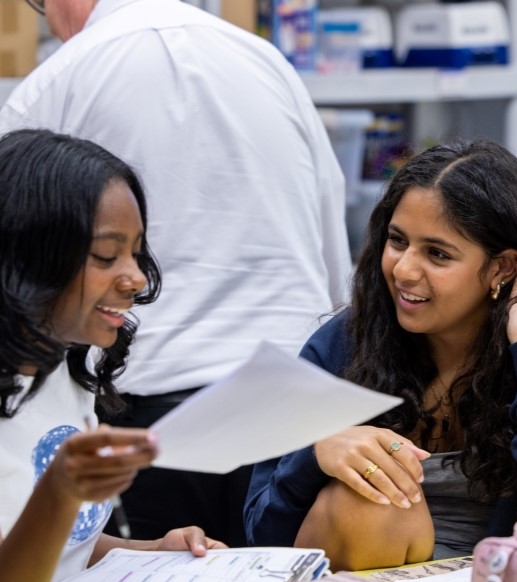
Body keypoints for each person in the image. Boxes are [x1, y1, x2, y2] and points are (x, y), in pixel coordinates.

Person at [0, 0, 353, 546]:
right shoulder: (266, 61)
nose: (138, 277)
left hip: (146, 398)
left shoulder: (59, 81)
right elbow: (331, 219)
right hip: (285, 391)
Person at [244, 139, 517, 570]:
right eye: (396, 240)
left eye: (438, 254)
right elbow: (261, 536)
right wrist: (314, 457)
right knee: (373, 500)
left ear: (502, 268)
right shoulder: (344, 342)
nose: (404, 270)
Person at [0, 129, 224, 582]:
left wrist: (152, 553)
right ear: (31, 257)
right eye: (106, 257)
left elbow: (59, 551)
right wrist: (59, 490)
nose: (136, 279)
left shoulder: (64, 367)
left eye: (137, 253)